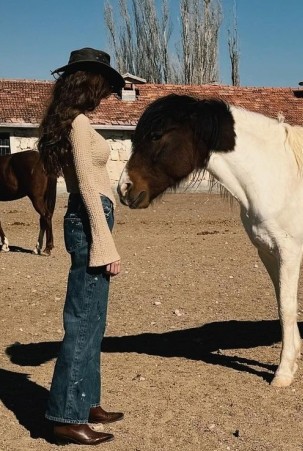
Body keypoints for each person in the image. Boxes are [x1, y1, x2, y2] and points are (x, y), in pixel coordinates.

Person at [38, 48, 125, 446]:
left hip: (89, 219)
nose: (106, 94)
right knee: (84, 322)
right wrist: (105, 245)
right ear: (89, 84)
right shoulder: (77, 124)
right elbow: (88, 187)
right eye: (104, 86)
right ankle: (66, 417)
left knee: (94, 320)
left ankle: (86, 401)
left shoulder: (73, 122)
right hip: (90, 221)